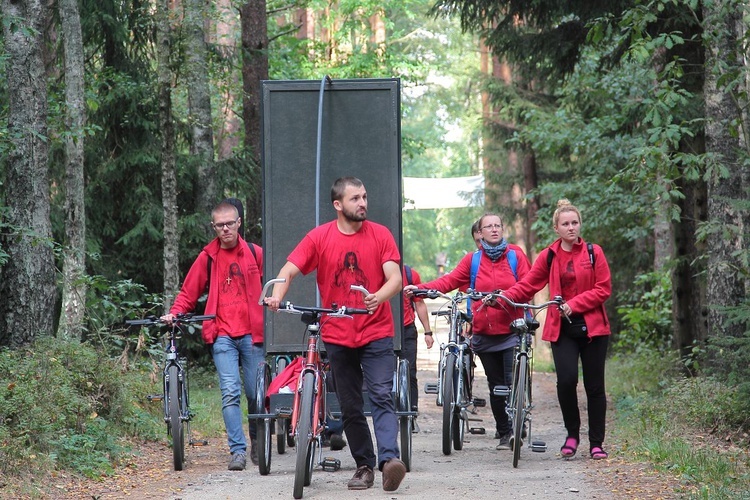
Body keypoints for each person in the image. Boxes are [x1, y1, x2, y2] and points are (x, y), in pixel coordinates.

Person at [263, 176, 407, 492]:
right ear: (338, 204)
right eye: (356, 198)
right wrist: (276, 293)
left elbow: (395, 278)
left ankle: (389, 461)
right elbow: (288, 270)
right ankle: (365, 467)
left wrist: (378, 297)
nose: (363, 203)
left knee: (381, 395)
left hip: (376, 331)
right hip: (338, 333)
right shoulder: (320, 237)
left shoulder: (380, 235)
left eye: (365, 197)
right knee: (351, 405)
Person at [405, 213, 531, 450]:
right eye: (488, 226)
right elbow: (449, 281)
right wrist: (420, 290)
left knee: (510, 382)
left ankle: (517, 425)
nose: (493, 229)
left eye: (497, 225)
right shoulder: (472, 261)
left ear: (502, 230)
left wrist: (506, 297)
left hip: (512, 330)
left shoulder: (515, 256)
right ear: (480, 233)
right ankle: (505, 433)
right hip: (484, 332)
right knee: (496, 387)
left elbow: (528, 285)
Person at [500, 199, 612, 460]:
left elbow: (603, 289)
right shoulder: (549, 255)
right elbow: (528, 285)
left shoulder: (594, 252)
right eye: (566, 224)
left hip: (594, 328)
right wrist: (503, 296)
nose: (571, 227)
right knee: (567, 381)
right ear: (556, 228)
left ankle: (596, 443)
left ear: (580, 225)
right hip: (562, 329)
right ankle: (572, 435)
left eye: (575, 223)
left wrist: (574, 304)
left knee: (595, 387)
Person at [162, 200, 264, 471]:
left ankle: (257, 439)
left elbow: (277, 284)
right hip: (222, 335)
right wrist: (175, 313)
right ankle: (237, 451)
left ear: (239, 222)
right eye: (220, 225)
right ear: (214, 227)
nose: (225, 228)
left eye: (230, 223)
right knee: (230, 392)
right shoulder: (208, 257)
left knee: (256, 394)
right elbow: (188, 293)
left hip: (254, 335)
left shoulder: (256, 253)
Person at [401, 264, 434, 433]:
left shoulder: (410, 274)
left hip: (406, 328)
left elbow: (419, 303)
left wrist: (428, 331)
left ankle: (412, 413)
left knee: (410, 371)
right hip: (382, 329)